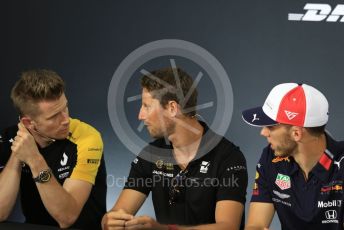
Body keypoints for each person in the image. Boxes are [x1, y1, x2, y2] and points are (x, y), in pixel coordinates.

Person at [102, 67, 248, 230]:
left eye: (146, 106)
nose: (140, 115)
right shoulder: (150, 155)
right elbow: (118, 213)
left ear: (172, 108)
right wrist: (110, 221)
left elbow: (228, 227)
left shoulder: (228, 157)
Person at [0, 69, 107, 229]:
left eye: (65, 108)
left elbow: (67, 217)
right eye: (54, 116)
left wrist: (34, 160)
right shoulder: (8, 137)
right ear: (29, 123)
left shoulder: (87, 137)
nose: (66, 120)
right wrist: (18, 153)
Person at [242, 83, 344, 230]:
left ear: (296, 133)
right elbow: (255, 225)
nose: (263, 132)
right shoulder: (270, 158)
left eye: (270, 126)